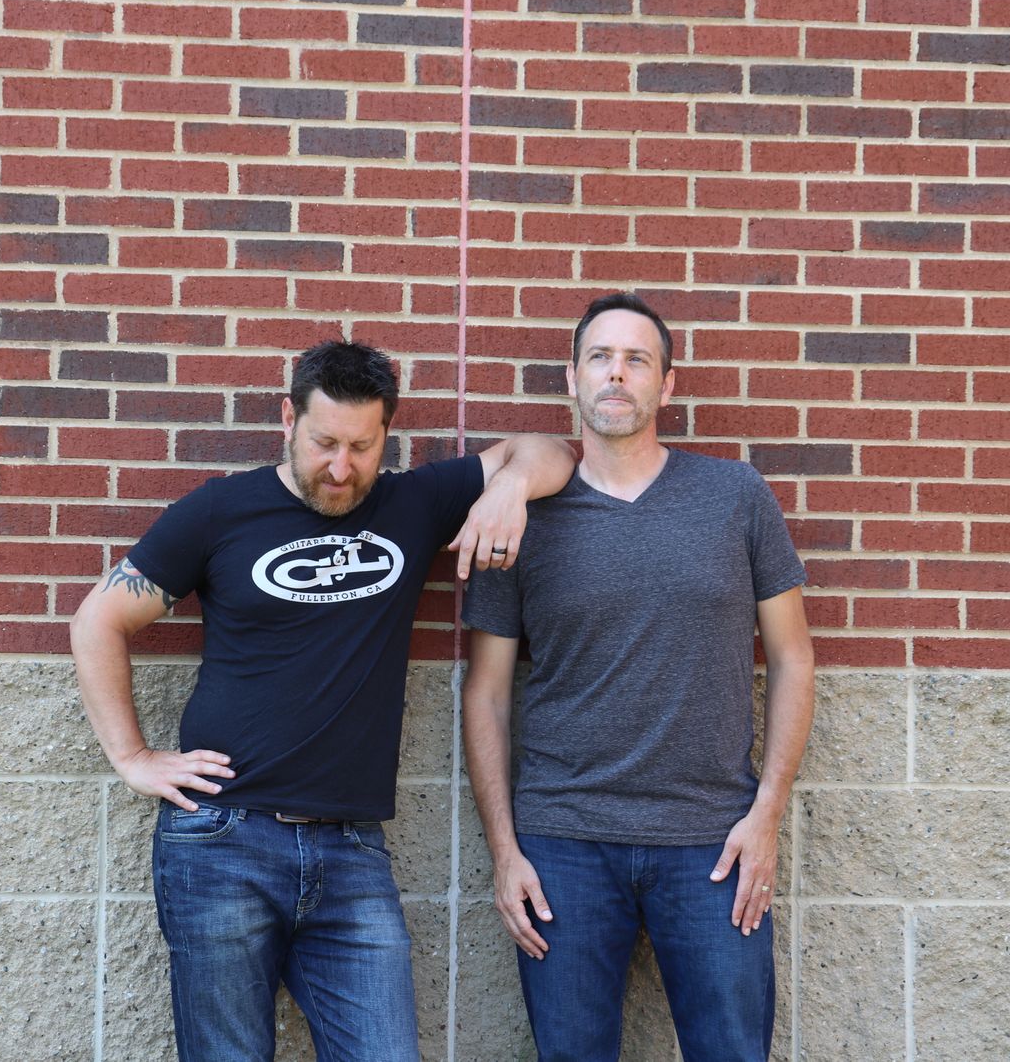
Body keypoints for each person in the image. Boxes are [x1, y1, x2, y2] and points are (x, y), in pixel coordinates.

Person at [69, 339, 574, 1062]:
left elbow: (554, 451)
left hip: (350, 852)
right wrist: (133, 756)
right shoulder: (221, 510)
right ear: (289, 418)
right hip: (222, 841)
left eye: (362, 447)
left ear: (386, 434)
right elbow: (98, 620)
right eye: (324, 443)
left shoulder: (413, 503)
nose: (341, 468)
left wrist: (509, 488)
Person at [461, 293, 815, 1062]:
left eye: (636, 360)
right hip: (563, 844)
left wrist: (766, 815)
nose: (616, 374)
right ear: (573, 377)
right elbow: (485, 693)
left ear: (666, 383)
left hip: (712, 842)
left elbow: (793, 657)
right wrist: (505, 850)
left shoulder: (736, 496)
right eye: (600, 357)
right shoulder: (519, 515)